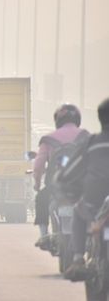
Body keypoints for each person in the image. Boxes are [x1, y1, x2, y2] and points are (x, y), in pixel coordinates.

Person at [61, 98, 109, 281]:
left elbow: (67, 174)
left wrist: (70, 191)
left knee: (78, 211)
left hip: (93, 201)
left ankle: (78, 258)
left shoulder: (91, 143)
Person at [33, 104, 89, 249]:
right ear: (77, 119)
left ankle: (44, 235)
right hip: (82, 186)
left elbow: (38, 165)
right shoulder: (86, 136)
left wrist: (37, 184)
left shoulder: (48, 139)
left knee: (41, 199)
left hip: (55, 187)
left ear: (57, 120)